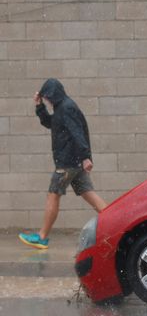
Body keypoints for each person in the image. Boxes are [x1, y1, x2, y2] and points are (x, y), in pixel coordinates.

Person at [18, 78, 107, 250]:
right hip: (74, 162)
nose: (48, 101)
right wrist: (39, 106)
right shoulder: (62, 107)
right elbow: (50, 123)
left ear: (54, 94)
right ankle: (118, 223)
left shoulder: (66, 108)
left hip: (68, 163)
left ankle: (42, 237)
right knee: (89, 193)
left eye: (47, 98)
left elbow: (77, 132)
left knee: (53, 194)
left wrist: (85, 157)